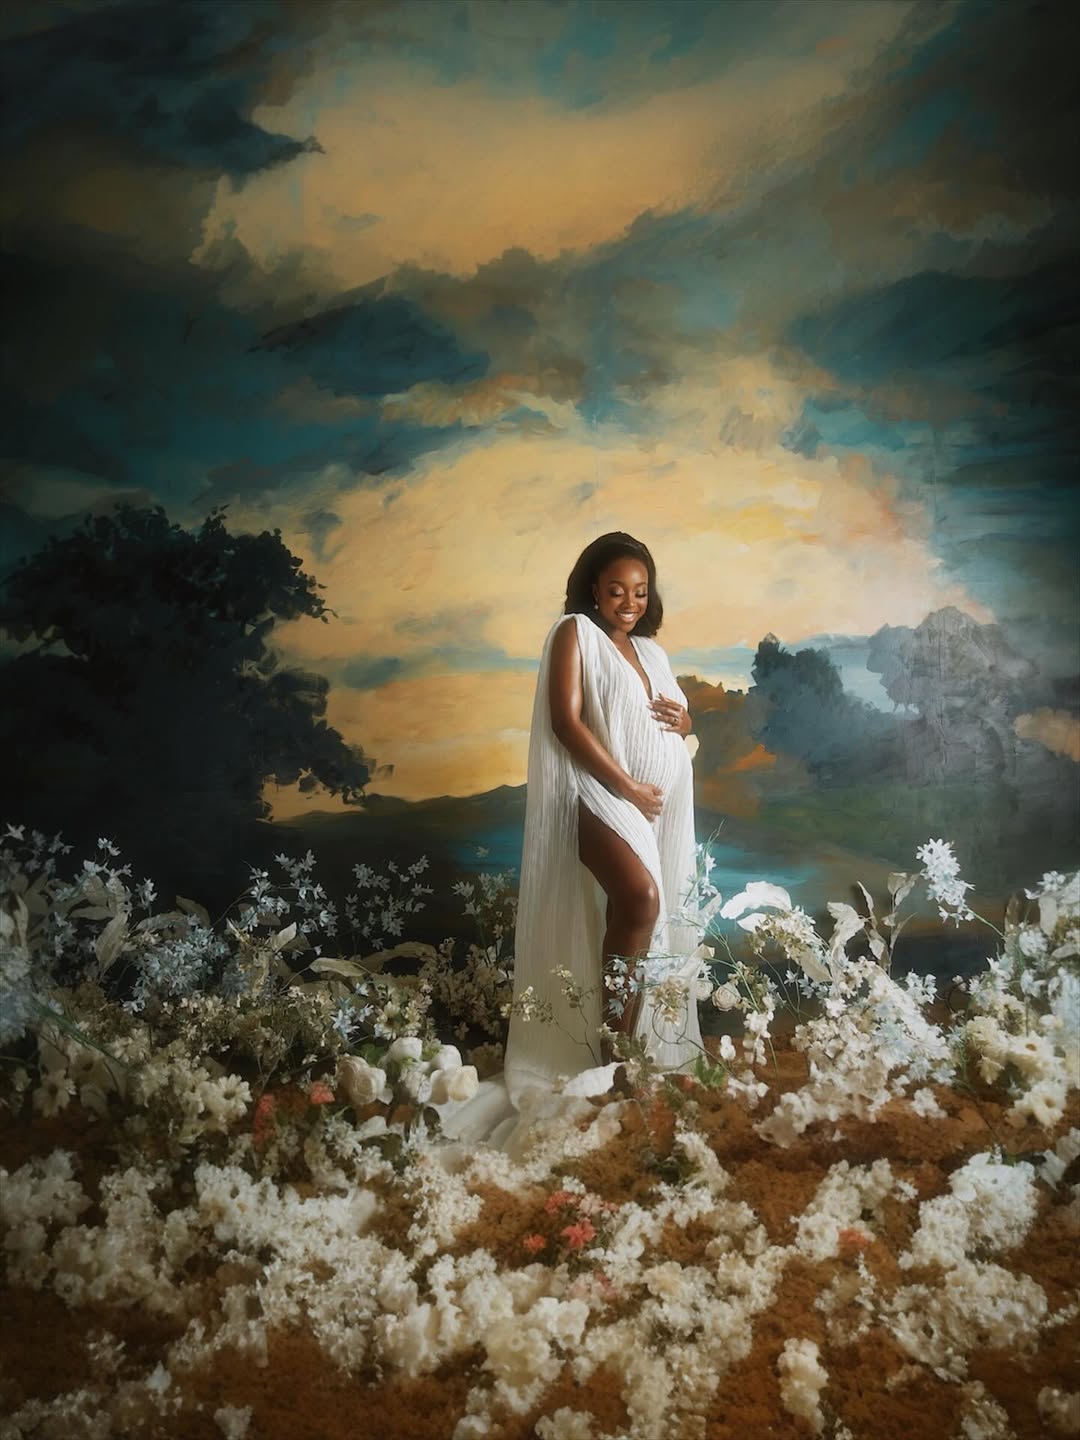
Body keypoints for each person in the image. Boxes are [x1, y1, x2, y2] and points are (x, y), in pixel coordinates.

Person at [502, 532, 704, 1103]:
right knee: (640, 899)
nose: (629, 602)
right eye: (617, 589)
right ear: (594, 587)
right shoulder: (575, 633)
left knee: (636, 913)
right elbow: (566, 723)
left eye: (640, 591)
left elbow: (672, 725)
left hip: (654, 808)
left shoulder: (654, 653)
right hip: (596, 793)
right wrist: (628, 786)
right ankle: (618, 1050)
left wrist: (685, 726)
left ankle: (631, 1050)